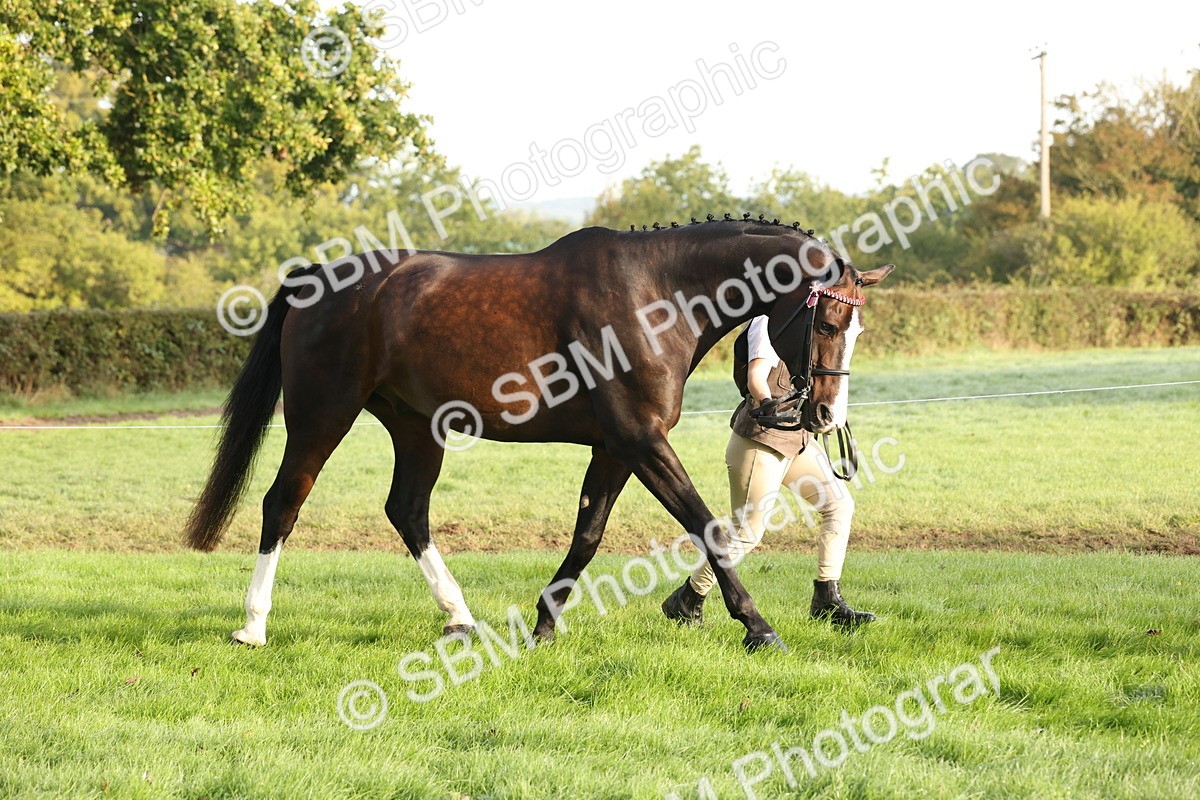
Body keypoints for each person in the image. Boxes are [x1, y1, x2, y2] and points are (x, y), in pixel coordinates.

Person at [661, 314, 875, 627]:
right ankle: (688, 598)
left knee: (839, 505)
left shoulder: (806, 323)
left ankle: (827, 600)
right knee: (747, 532)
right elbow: (756, 377)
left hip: (795, 439)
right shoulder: (769, 322)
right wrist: (766, 402)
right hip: (760, 441)